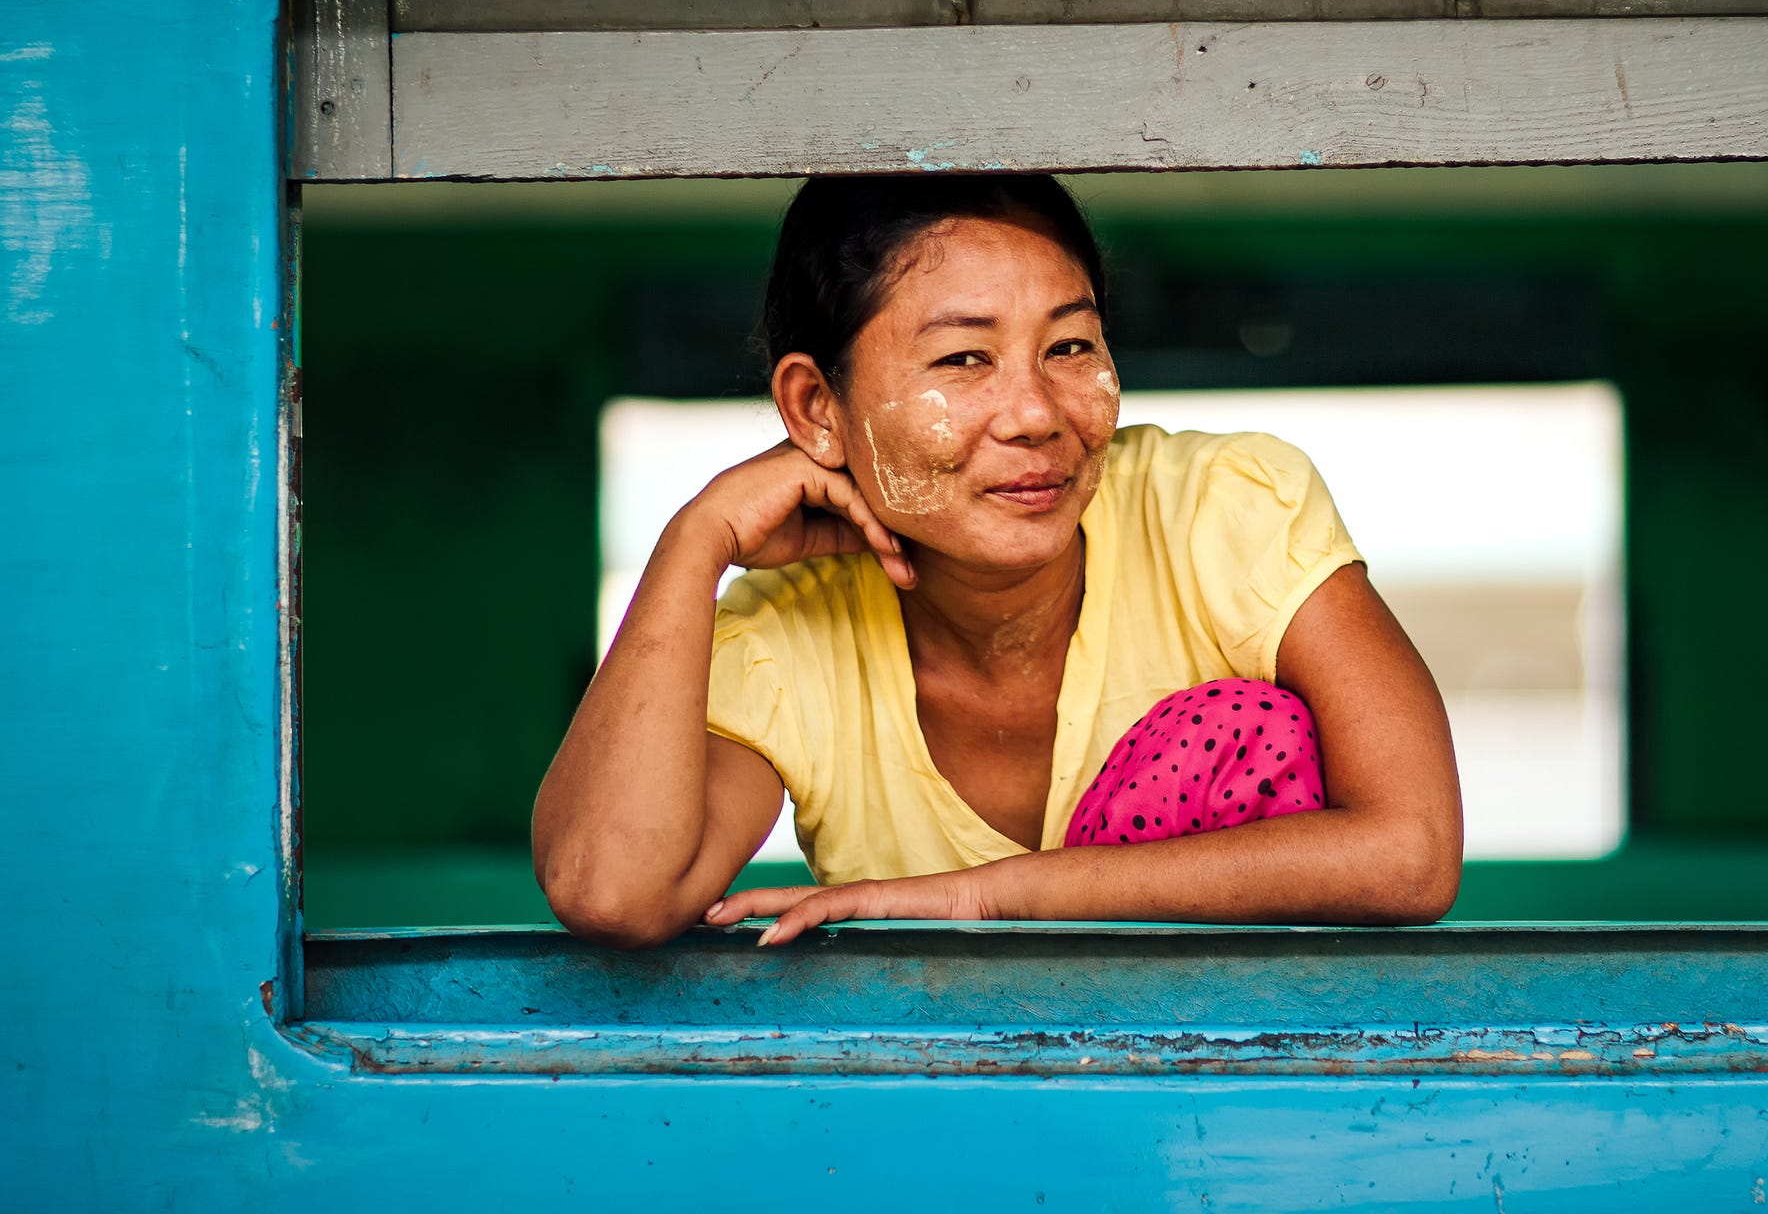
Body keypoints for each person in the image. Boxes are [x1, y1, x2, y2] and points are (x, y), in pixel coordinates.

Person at [532, 174, 1462, 947]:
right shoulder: (789, 633)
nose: (1036, 415)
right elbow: (613, 891)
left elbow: (1410, 854)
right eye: (965, 360)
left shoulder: (1218, 510)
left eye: (1070, 346)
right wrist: (695, 540)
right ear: (817, 407)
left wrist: (986, 895)